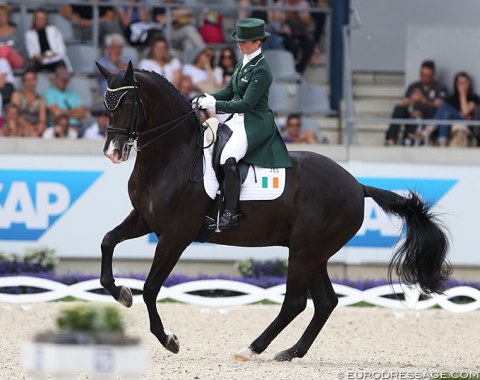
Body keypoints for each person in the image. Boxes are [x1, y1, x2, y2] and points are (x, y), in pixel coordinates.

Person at [194, 18, 292, 231]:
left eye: (244, 41)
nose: (239, 45)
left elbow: (247, 103)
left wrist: (215, 104)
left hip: (254, 123)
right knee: (211, 149)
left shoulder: (262, 70)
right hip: (237, 120)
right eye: (239, 41)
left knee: (228, 157)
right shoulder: (244, 62)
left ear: (258, 42)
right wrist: (206, 97)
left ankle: (231, 212)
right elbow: (229, 92)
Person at [385, 60, 447, 146]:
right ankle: (391, 140)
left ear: (433, 75)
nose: (424, 78)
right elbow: (404, 101)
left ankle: (427, 138)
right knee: (399, 109)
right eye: (422, 75)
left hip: (428, 118)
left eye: (427, 76)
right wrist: (411, 100)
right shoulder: (414, 86)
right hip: (413, 115)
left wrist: (423, 100)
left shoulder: (439, 87)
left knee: (433, 110)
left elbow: (440, 105)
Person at [424, 71, 480, 147]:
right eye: (460, 83)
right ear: (456, 84)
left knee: (445, 107)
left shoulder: (473, 97)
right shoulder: (451, 99)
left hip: (467, 125)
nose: (463, 85)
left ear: (469, 83)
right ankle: (442, 144)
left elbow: (465, 110)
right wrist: (459, 114)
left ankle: (429, 129)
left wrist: (462, 94)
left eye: (465, 82)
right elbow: (461, 114)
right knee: (446, 113)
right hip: (451, 124)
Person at [270, 0, 315, 74]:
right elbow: (276, 21)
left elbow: (307, 22)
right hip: (285, 33)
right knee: (291, 45)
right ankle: (291, 68)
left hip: (300, 33)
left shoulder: (304, 3)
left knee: (310, 44)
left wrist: (298, 16)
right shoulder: (280, 4)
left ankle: (299, 70)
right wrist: (287, 16)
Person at [25, 8, 72, 73]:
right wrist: (39, 58)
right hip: (40, 61)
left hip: (55, 59)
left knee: (61, 67)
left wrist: (48, 55)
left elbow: (61, 50)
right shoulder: (29, 34)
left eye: (43, 18)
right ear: (34, 20)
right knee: (30, 68)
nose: (40, 20)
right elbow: (32, 54)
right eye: (38, 18)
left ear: (46, 19)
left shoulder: (54, 30)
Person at [44, 67, 87, 133]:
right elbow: (56, 113)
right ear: (56, 78)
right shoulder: (50, 93)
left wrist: (63, 112)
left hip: (77, 126)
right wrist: (74, 111)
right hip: (58, 126)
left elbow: (83, 114)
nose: (64, 82)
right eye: (61, 79)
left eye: (66, 80)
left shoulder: (73, 94)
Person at [10, 70, 47, 137]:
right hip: (20, 124)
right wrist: (29, 127)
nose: (30, 82)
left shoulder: (41, 99)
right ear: (23, 82)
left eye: (32, 79)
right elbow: (15, 115)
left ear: (36, 81)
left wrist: (40, 127)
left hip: (35, 126)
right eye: (28, 80)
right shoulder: (17, 95)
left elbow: (43, 119)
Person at [0, 3, 25, 70]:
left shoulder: (17, 31)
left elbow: (22, 48)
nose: (0, 17)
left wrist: (9, 51)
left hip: (15, 60)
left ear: (8, 16)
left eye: (2, 14)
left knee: (5, 48)